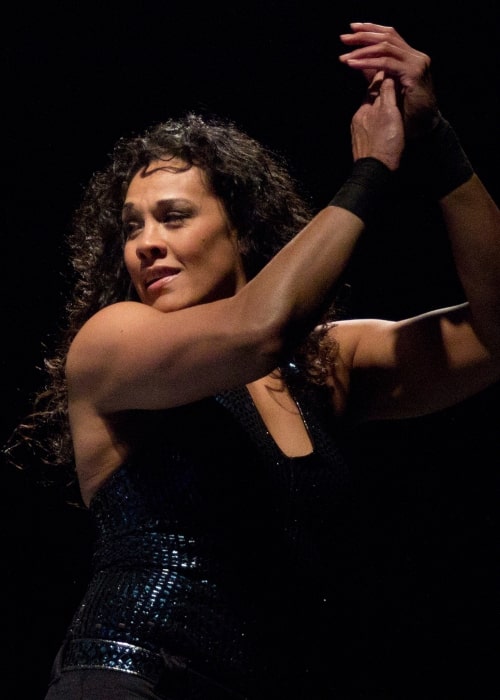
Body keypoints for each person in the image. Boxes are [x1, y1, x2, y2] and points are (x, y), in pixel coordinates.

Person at [5, 22, 499, 700]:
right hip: (130, 681)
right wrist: (371, 171)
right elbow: (260, 328)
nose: (145, 244)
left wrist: (435, 140)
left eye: (173, 217)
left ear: (240, 231)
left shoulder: (323, 366)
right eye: (131, 226)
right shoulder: (113, 340)